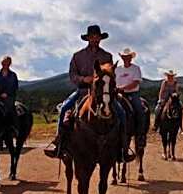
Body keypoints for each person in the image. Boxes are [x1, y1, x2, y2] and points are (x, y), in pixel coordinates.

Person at [46, 25, 127, 158]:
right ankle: (59, 143)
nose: (95, 39)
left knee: (121, 113)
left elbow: (111, 76)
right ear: (88, 38)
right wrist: (84, 79)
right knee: (64, 108)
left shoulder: (107, 56)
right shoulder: (78, 56)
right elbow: (72, 75)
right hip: (83, 91)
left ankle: (123, 148)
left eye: (97, 37)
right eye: (92, 37)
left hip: (103, 93)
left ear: (101, 38)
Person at [116, 47, 146, 135]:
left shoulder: (136, 68)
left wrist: (122, 88)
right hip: (118, 93)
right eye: (124, 57)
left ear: (131, 58)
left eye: (128, 57)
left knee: (140, 110)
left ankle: (140, 134)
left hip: (132, 93)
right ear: (122, 58)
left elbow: (135, 83)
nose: (126, 59)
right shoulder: (117, 69)